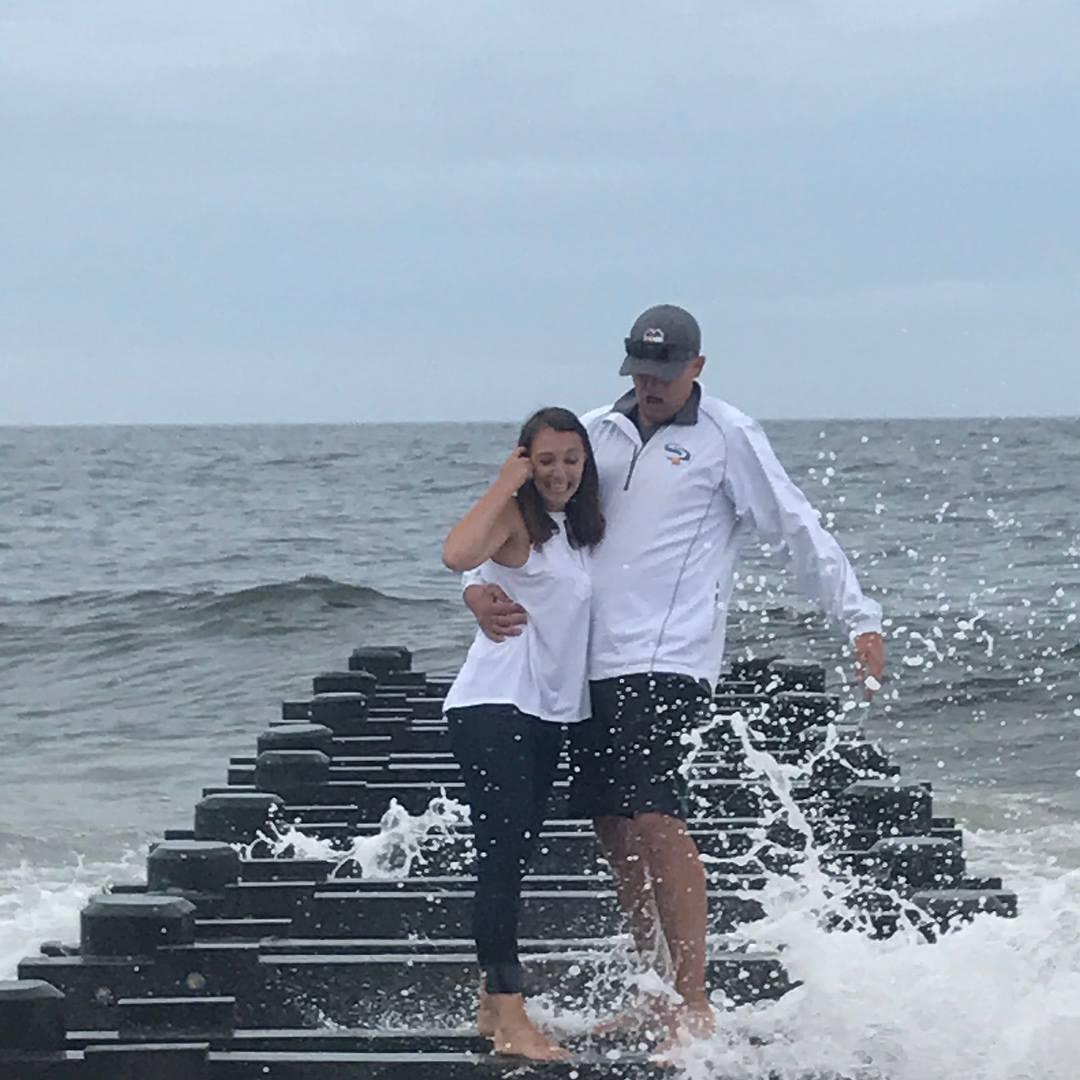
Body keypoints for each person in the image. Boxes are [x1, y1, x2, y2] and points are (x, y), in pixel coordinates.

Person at [464, 304, 886, 1051]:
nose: (650, 386)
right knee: (614, 826)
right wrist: (473, 590)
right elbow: (519, 518)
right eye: (640, 372)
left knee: (658, 819)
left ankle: (693, 1003)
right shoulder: (595, 433)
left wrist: (858, 616)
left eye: (664, 373)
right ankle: (653, 990)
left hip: (668, 658)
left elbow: (794, 526)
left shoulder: (727, 435)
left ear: (696, 367)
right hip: (584, 665)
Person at [441, 406, 606, 1061]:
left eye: (571, 459)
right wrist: (505, 482)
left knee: (515, 856)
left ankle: (491, 1004)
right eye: (544, 461)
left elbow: (479, 576)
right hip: (495, 705)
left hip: (545, 712)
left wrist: (475, 590)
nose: (559, 473)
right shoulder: (515, 518)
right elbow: (458, 554)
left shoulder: (577, 529)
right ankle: (511, 1016)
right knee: (501, 861)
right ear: (524, 462)